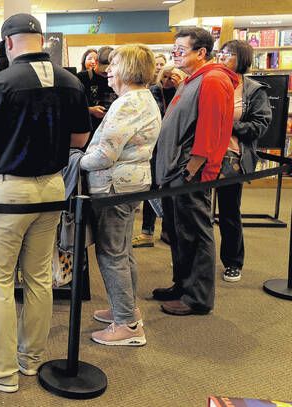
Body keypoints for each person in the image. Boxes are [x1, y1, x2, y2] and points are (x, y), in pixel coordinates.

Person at [0, 14, 91, 392]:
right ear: (41, 41)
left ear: (7, 43)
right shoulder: (72, 81)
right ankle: (30, 360)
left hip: (8, 192)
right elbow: (80, 139)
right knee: (38, 278)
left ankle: (1, 373)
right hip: (52, 188)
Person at [77, 44, 161, 346]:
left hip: (114, 188)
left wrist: (74, 159)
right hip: (131, 184)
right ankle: (126, 309)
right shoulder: (143, 99)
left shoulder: (127, 105)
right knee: (123, 251)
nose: (107, 71)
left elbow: (104, 155)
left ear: (127, 70)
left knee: (111, 254)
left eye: (112, 66)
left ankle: (127, 325)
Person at [153, 28, 238, 316]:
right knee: (179, 232)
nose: (175, 54)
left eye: (180, 49)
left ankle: (198, 297)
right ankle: (183, 285)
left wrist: (192, 170)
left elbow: (210, 132)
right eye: (174, 49)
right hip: (178, 172)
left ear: (201, 52)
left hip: (189, 174)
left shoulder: (213, 80)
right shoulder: (194, 79)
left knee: (195, 233)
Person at [216, 40, 272, 282]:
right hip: (204, 155)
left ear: (242, 59)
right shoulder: (211, 81)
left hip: (233, 157)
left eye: (228, 54)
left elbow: (260, 124)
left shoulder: (253, 90)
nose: (221, 57)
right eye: (220, 52)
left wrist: (229, 125)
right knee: (195, 210)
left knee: (229, 210)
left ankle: (233, 261)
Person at [132, 65, 186, 248]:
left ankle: (167, 231)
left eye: (174, 77)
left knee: (170, 191)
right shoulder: (154, 91)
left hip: (175, 148)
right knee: (153, 188)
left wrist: (181, 88)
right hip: (155, 147)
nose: (169, 80)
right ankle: (147, 231)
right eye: (166, 76)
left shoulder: (184, 92)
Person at [77, 46, 118, 135]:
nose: (107, 72)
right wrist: (90, 110)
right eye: (104, 69)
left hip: (111, 129)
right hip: (88, 130)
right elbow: (72, 107)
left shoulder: (116, 79)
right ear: (96, 62)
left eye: (110, 69)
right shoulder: (81, 78)